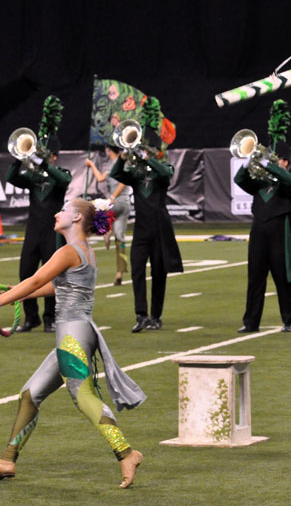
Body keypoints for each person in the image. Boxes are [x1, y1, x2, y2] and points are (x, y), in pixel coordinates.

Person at [0, 199, 145, 488]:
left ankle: (126, 453)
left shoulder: (68, 251)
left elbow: (35, 279)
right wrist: (17, 296)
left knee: (84, 396)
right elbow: (55, 285)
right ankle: (7, 460)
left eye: (63, 209)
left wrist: (4, 299)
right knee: (30, 394)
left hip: (73, 335)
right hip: (74, 335)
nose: (56, 213)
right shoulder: (84, 251)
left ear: (77, 217)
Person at [5, 105, 70, 333]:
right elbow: (11, 177)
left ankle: (50, 317)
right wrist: (20, 157)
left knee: (51, 275)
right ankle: (31, 317)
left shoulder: (61, 174)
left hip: (52, 232)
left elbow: (63, 180)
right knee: (26, 273)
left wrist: (45, 164)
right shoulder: (32, 178)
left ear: (54, 155)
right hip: (33, 230)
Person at [109, 139, 183, 332]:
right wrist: (123, 157)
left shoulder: (162, 168)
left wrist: (147, 159)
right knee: (137, 270)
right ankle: (141, 315)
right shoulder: (136, 173)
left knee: (159, 273)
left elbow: (166, 174)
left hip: (160, 228)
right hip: (141, 229)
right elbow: (116, 173)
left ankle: (156, 316)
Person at [235, 146, 291, 333]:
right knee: (255, 276)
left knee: (283, 275)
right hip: (259, 228)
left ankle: (288, 320)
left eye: (280, 160)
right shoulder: (260, 179)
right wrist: (247, 164)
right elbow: (239, 180)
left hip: (281, 228)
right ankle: (251, 322)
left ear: (286, 162)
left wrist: (270, 166)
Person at [85, 146, 130, 285]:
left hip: (117, 201)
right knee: (120, 239)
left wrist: (113, 196)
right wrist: (91, 164)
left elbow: (124, 182)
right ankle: (119, 272)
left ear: (108, 150)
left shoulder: (119, 164)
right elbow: (100, 178)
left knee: (96, 209)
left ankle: (106, 230)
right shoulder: (114, 165)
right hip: (124, 204)